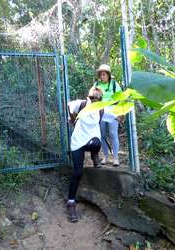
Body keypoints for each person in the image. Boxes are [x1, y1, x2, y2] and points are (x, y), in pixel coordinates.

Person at [66, 87, 104, 223]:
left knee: (96, 144)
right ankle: (71, 203)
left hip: (92, 139)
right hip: (78, 141)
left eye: (97, 98)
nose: (94, 100)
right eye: (92, 98)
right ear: (89, 97)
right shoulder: (82, 104)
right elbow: (69, 105)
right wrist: (72, 118)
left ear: (100, 99)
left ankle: (95, 156)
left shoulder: (101, 109)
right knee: (77, 172)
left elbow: (117, 114)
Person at [94, 64, 122, 166]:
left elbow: (121, 99)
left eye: (104, 74)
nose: (102, 77)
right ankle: (105, 157)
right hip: (100, 112)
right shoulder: (97, 85)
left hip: (113, 111)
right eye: (101, 75)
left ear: (108, 75)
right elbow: (91, 97)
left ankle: (115, 158)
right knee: (102, 135)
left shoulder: (115, 85)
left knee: (113, 134)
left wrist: (120, 113)